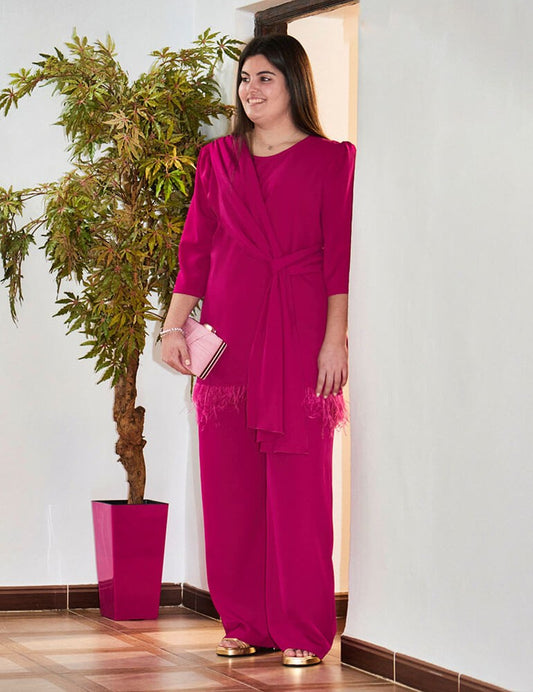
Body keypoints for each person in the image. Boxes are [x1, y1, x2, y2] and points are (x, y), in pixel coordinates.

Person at [161, 33, 355, 667]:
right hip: (229, 342)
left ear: (294, 84)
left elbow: (339, 261)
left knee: (300, 490)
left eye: (265, 78)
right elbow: (195, 251)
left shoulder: (332, 160)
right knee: (230, 488)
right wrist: (172, 329)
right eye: (245, 79)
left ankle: (303, 628)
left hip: (299, 339)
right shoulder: (217, 159)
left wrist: (334, 342)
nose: (250, 90)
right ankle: (244, 622)